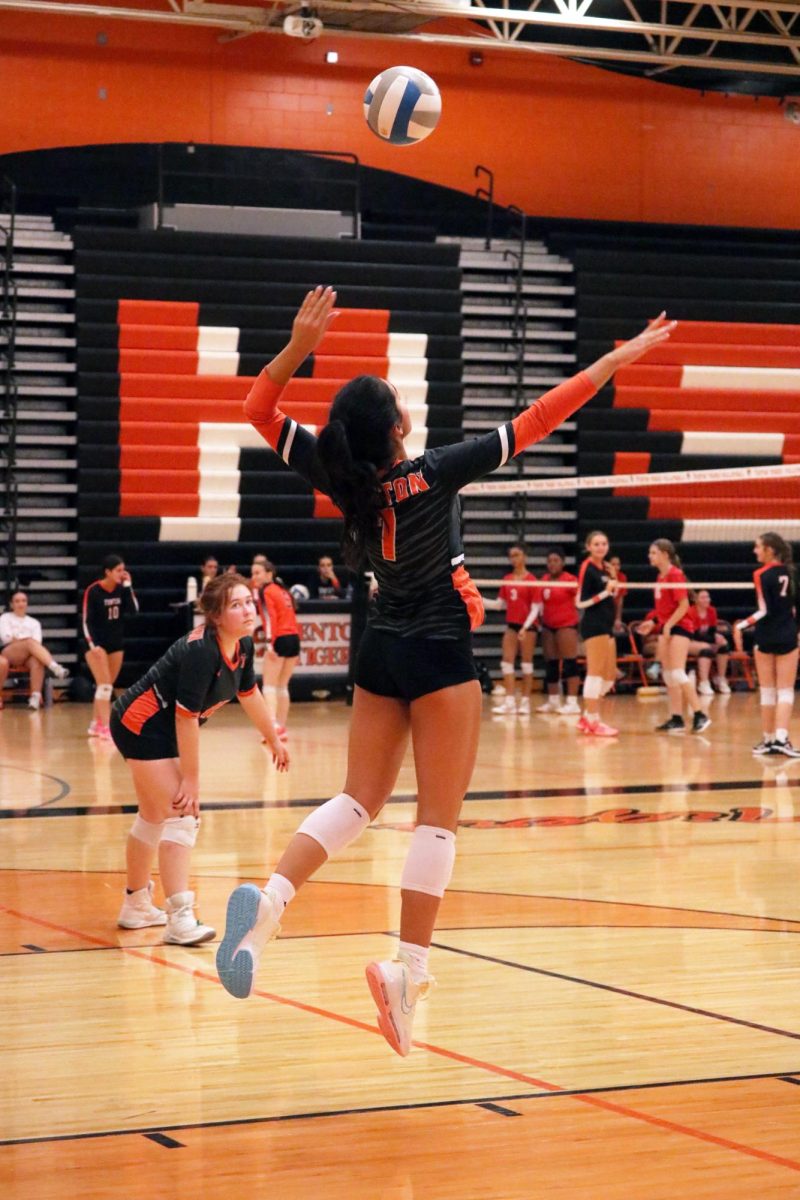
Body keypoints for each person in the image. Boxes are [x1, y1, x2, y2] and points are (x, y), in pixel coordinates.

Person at [214, 286, 674, 1056]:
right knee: (436, 820)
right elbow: (541, 416)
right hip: (436, 653)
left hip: (380, 648)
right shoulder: (435, 473)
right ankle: (407, 973)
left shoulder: (338, 472)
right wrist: (616, 357)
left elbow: (259, 409)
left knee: (358, 801)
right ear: (397, 426)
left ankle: (268, 903)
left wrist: (297, 348)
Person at [110, 573, 289, 942]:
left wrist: (273, 738)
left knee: (154, 816)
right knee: (182, 814)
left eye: (248, 602)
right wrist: (190, 781)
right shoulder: (201, 651)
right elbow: (185, 718)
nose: (246, 610)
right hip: (140, 724)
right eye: (235, 605)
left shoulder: (242, 645)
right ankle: (179, 918)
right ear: (216, 616)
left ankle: (136, 905)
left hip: (158, 729)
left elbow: (249, 694)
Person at [733, 532, 799, 757]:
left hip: (765, 636)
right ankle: (780, 738)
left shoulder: (760, 574)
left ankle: (769, 739)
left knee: (768, 691)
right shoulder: (792, 573)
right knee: (785, 691)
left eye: (758, 547)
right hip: (788, 635)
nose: (755, 551)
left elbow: (763, 610)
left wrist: (741, 626)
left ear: (770, 550)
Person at [636, 539, 711, 734]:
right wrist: (652, 623)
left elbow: (684, 605)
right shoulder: (661, 577)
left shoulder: (675, 575)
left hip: (680, 627)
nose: (649, 557)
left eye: (653, 553)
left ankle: (700, 714)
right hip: (667, 627)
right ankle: (677, 718)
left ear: (665, 554)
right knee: (668, 675)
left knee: (678, 672)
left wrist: (668, 625)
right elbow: (664, 608)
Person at [81, 554, 139, 740]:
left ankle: (95, 724)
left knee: (104, 686)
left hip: (116, 643)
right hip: (96, 645)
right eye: (119, 570)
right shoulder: (93, 590)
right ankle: (105, 727)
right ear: (108, 572)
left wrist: (128, 586)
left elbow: (134, 610)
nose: (122, 574)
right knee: (105, 686)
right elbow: (85, 621)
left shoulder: (122, 590)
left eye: (124, 570)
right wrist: (92, 644)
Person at [251, 557, 301, 741]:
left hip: (279, 638)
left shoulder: (266, 591)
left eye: (257, 573)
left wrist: (270, 643)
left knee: (269, 686)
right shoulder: (282, 590)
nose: (254, 576)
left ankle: (272, 727)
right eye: (252, 573)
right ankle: (281, 726)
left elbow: (269, 617)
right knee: (282, 686)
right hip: (294, 639)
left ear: (269, 574)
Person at [576, 531, 618, 736]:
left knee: (609, 677)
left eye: (604, 543)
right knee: (595, 674)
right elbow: (580, 602)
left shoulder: (606, 568)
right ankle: (593, 719)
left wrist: (613, 579)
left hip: (607, 626)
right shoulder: (587, 567)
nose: (601, 547)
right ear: (589, 547)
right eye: (596, 544)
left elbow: (614, 594)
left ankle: (587, 714)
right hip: (594, 626)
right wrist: (604, 592)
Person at [528, 549, 580, 715]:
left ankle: (572, 702)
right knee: (551, 664)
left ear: (563, 563)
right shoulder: (543, 580)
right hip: (548, 626)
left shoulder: (570, 580)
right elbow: (537, 605)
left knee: (570, 662)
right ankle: (553, 701)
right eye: (549, 561)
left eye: (556, 560)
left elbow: (581, 601)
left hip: (566, 626)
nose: (552, 564)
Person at [492, 543, 539, 717]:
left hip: (528, 627)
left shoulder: (532, 580)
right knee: (506, 661)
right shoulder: (507, 578)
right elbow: (500, 604)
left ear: (525, 556)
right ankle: (510, 701)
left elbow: (536, 608)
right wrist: (478, 600)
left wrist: (525, 627)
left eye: (517, 555)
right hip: (512, 625)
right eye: (511, 556)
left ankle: (525, 702)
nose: (514, 559)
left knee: (526, 663)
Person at [0, 590, 69, 710]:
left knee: (37, 660)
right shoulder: (5, 618)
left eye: (23, 601)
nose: (20, 604)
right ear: (11, 604)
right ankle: (54, 667)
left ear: (27, 603)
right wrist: (26, 642)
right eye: (17, 601)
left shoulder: (34, 622)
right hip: (9, 652)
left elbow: (38, 643)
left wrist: (23, 641)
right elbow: (7, 638)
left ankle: (35, 697)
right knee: (30, 643)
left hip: (28, 655)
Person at [687, 589, 731, 696]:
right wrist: (713, 640)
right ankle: (703, 682)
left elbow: (712, 631)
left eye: (708, 597)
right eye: (703, 597)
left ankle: (721, 678)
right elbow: (695, 634)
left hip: (704, 639)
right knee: (706, 649)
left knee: (723, 645)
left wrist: (717, 637)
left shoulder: (711, 611)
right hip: (689, 640)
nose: (707, 600)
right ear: (695, 599)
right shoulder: (691, 611)